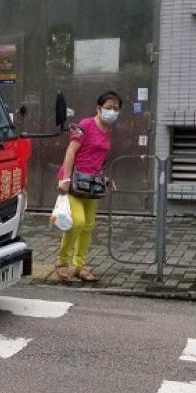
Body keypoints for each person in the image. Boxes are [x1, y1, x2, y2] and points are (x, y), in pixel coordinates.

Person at [55, 91, 121, 282]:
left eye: (116, 108)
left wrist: (106, 179)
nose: (112, 111)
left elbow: (97, 161)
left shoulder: (108, 131)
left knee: (88, 226)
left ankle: (79, 266)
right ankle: (61, 263)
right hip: (74, 182)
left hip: (92, 185)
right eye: (108, 107)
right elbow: (71, 151)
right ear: (98, 109)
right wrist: (65, 179)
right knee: (78, 222)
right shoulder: (85, 125)